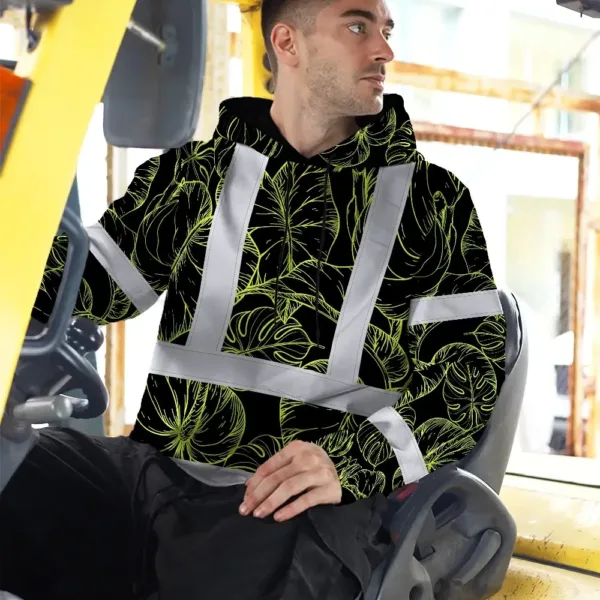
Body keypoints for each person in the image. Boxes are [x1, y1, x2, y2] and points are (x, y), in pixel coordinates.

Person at [0, 0, 506, 598]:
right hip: (155, 477)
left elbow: (468, 380)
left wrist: (351, 461)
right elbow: (76, 283)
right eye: (357, 26)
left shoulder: (433, 202)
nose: (384, 50)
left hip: (295, 502)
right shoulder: (195, 177)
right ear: (287, 44)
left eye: (386, 30)